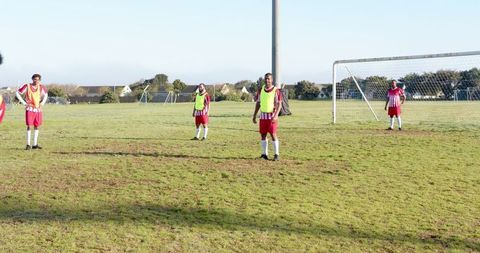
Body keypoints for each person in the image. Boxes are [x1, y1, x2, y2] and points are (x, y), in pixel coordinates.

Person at [252, 73, 282, 161]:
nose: (267, 80)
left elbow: (279, 104)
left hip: (272, 116)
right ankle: (264, 154)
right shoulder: (260, 90)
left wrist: (276, 115)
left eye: (268, 79)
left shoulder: (276, 90)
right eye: (265, 79)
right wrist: (254, 115)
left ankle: (276, 154)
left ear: (272, 80)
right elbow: (258, 103)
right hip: (263, 116)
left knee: (273, 134)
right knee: (263, 135)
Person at [16, 74, 48, 150]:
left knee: (36, 126)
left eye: (38, 79)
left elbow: (46, 95)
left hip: (38, 109)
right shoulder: (27, 86)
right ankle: (28, 144)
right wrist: (24, 103)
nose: (36, 81)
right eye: (35, 79)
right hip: (30, 109)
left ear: (40, 80)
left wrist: (42, 103)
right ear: (32, 79)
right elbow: (17, 93)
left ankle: (35, 144)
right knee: (29, 126)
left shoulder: (41, 87)